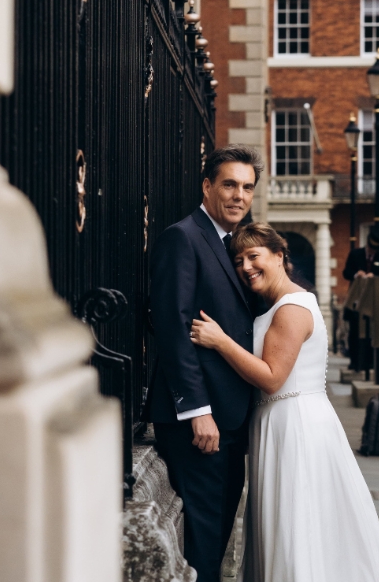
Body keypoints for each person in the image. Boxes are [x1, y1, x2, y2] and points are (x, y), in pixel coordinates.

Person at [191, 222, 379, 582]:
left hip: (295, 424)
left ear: (280, 256)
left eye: (254, 256)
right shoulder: (277, 304)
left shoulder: (291, 308)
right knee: (292, 525)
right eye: (238, 260)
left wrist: (221, 341)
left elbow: (272, 378)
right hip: (283, 421)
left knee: (296, 524)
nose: (245, 267)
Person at [148, 145, 263, 582]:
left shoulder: (239, 244)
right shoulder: (183, 237)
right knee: (202, 540)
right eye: (230, 184)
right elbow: (174, 328)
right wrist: (197, 411)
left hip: (234, 418)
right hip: (201, 422)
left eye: (247, 187)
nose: (238, 195)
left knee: (216, 542)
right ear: (207, 186)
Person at [343, 228, 379, 369]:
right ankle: (355, 361)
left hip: (373, 301)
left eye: (374, 249)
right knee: (354, 332)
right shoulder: (355, 254)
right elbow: (346, 273)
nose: (371, 251)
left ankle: (368, 363)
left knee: (371, 333)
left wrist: (374, 278)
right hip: (356, 300)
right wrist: (356, 275)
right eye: (370, 248)